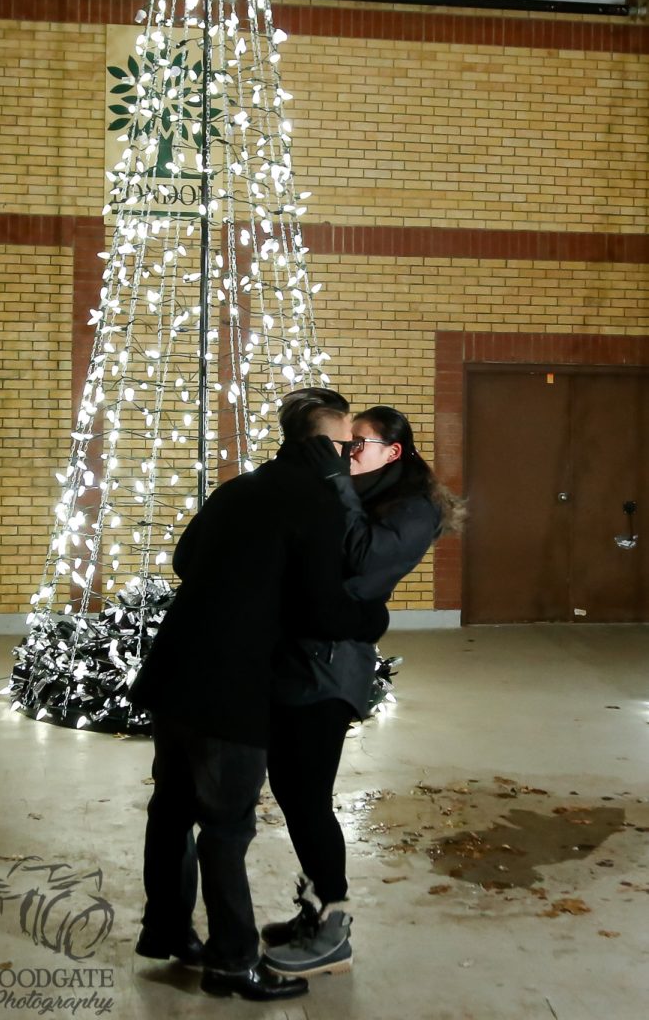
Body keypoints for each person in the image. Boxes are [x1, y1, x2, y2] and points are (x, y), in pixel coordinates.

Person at [127, 389, 389, 1002]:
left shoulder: (240, 488)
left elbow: (185, 559)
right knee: (226, 825)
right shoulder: (317, 503)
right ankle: (232, 963)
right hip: (233, 689)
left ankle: (167, 931)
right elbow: (323, 609)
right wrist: (372, 619)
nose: (351, 455)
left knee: (171, 809)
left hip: (175, 674)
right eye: (347, 443)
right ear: (325, 445)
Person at [262, 405, 464, 979]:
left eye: (358, 446)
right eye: (343, 446)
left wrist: (336, 485)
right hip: (302, 660)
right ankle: (314, 907)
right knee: (292, 790)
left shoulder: (413, 507)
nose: (346, 455)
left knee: (308, 796)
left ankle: (334, 924)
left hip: (333, 671)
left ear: (392, 451)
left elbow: (361, 559)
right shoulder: (362, 494)